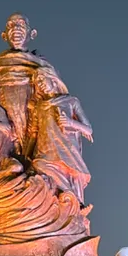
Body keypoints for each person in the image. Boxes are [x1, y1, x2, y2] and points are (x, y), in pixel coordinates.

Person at [0, 13, 56, 155]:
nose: (15, 29)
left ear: (31, 33)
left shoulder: (41, 64)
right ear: (4, 35)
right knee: (8, 149)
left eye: (21, 24)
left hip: (32, 108)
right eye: (11, 25)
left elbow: (55, 90)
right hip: (3, 111)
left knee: (32, 146)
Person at [29, 68, 93, 205]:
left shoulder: (70, 101)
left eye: (41, 79)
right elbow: (34, 132)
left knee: (72, 173)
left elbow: (88, 129)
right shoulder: (39, 107)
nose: (40, 84)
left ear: (52, 78)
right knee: (39, 165)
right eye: (37, 82)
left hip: (66, 147)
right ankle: (71, 198)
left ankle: (75, 202)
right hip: (45, 148)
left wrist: (71, 122)